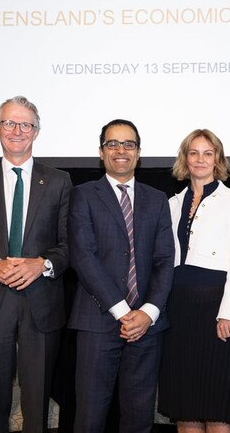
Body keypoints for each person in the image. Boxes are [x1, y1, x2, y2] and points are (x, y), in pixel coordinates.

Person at [0, 96, 71, 433]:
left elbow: (69, 244)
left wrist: (42, 264)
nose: (17, 130)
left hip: (42, 305)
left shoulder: (59, 180)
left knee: (36, 410)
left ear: (36, 131)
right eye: (9, 123)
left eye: (25, 124)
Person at [68, 119, 174, 433]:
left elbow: (166, 259)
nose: (121, 150)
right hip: (97, 322)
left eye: (128, 144)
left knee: (140, 418)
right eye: (112, 144)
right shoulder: (83, 195)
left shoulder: (156, 199)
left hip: (147, 327)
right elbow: (83, 257)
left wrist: (148, 313)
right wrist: (125, 313)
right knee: (90, 417)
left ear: (138, 153)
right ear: (101, 152)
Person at [158, 129, 230, 432]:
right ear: (185, 159)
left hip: (215, 310)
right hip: (178, 310)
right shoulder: (171, 204)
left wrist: (229, 313)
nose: (200, 159)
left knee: (216, 409)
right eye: (194, 152)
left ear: (218, 160)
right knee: (185, 408)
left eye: (208, 153)